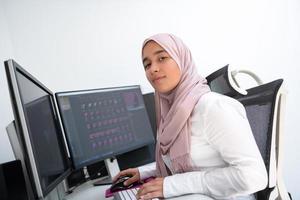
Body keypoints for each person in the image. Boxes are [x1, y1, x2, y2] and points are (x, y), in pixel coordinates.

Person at [113, 33, 268, 200]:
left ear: (182, 59)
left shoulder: (213, 108)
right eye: (147, 64)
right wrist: (145, 172)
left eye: (162, 58)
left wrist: (173, 185)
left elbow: (253, 177)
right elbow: (192, 162)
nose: (153, 69)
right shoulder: (169, 113)